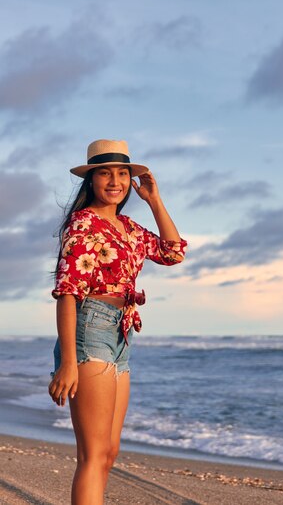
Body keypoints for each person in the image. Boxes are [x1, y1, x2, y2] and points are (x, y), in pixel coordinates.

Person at [48, 139, 187, 505]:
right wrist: (67, 363)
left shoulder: (127, 228)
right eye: (105, 173)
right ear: (91, 180)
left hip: (121, 334)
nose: (115, 181)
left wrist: (154, 200)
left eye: (123, 173)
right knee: (92, 455)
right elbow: (67, 292)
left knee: (109, 451)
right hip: (89, 328)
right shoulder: (83, 223)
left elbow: (173, 252)